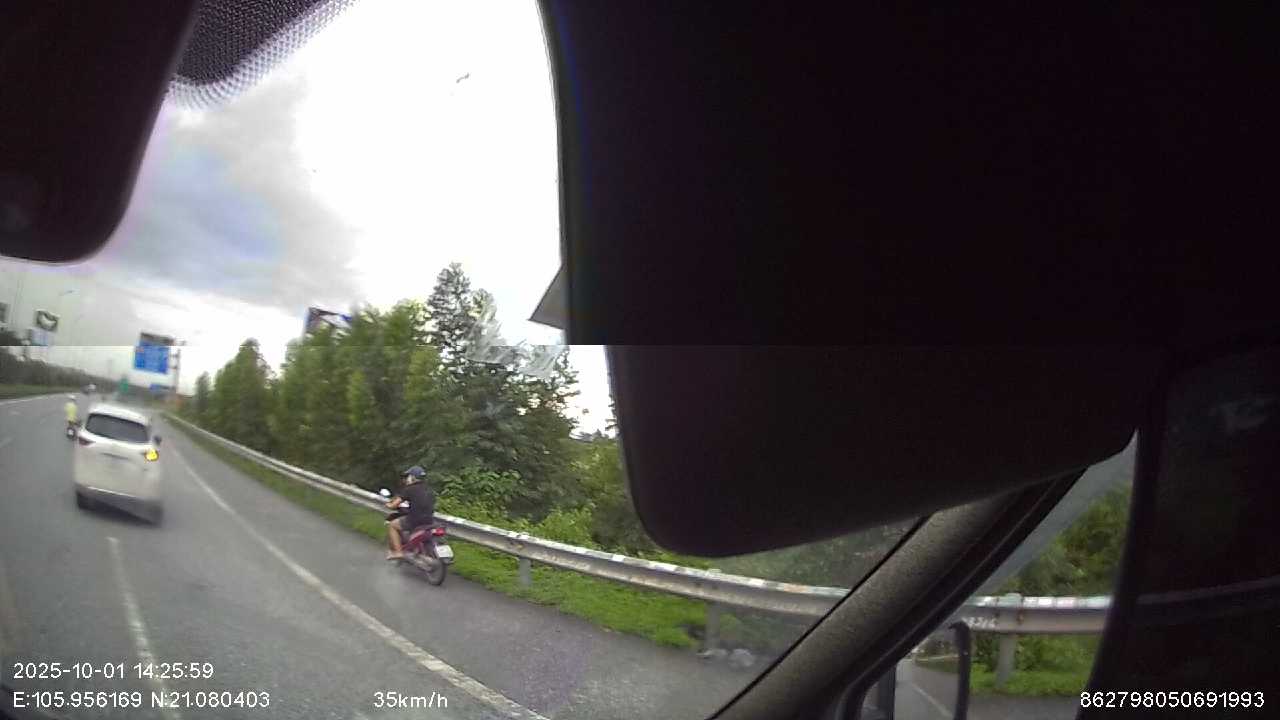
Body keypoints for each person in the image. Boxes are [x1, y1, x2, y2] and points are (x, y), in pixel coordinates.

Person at [385, 465, 436, 560]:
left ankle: (398, 552)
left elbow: (394, 505)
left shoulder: (410, 489)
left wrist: (388, 505)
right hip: (429, 520)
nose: (407, 479)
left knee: (392, 525)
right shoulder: (429, 490)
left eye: (408, 476)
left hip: (414, 520)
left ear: (413, 477)